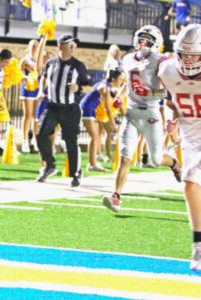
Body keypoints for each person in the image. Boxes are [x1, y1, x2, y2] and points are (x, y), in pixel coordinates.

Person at [102, 25, 182, 212]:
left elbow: (170, 89)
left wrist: (152, 91)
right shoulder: (128, 58)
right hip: (131, 112)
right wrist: (120, 94)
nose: (143, 43)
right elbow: (130, 81)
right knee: (125, 156)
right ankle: (116, 196)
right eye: (141, 39)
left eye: (148, 40)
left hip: (151, 114)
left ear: (156, 44)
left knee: (155, 159)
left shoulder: (161, 60)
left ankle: (173, 163)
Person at [157, 24, 201, 271]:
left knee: (191, 177)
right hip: (191, 133)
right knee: (190, 183)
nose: (189, 59)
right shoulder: (168, 70)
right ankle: (198, 245)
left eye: (194, 54)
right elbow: (167, 99)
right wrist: (169, 116)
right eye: (184, 54)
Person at [35, 34, 92, 187]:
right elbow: (43, 77)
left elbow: (90, 85)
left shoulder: (78, 66)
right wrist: (41, 90)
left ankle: (76, 173)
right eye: (65, 44)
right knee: (40, 134)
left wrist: (78, 88)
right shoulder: (51, 63)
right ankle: (50, 165)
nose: (71, 47)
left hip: (70, 108)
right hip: (53, 106)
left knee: (70, 141)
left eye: (71, 44)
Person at [80, 68, 124, 171]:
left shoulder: (105, 85)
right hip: (87, 109)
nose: (121, 82)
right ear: (114, 79)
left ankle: (92, 163)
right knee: (95, 137)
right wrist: (113, 125)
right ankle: (92, 164)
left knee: (94, 137)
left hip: (91, 110)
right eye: (120, 80)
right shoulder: (105, 88)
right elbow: (108, 109)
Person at [19, 37, 46, 153]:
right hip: (27, 89)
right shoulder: (25, 60)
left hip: (37, 89)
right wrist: (27, 78)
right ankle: (25, 140)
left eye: (37, 46)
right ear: (29, 47)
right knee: (28, 115)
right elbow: (19, 75)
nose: (35, 48)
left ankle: (35, 140)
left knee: (36, 116)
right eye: (33, 46)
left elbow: (42, 74)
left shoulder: (40, 60)